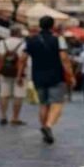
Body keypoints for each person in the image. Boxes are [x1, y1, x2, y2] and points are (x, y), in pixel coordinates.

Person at [21, 15, 70, 144]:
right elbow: (64, 58)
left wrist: (20, 74)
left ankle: (44, 128)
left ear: (40, 25)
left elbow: (23, 58)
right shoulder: (58, 39)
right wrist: (70, 74)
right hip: (56, 75)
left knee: (43, 104)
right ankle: (48, 126)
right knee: (57, 103)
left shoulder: (30, 40)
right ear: (52, 26)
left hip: (37, 76)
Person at [0, 26, 28, 125]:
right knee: (18, 95)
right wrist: (19, 75)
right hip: (19, 73)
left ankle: (3, 116)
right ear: (19, 33)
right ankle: (15, 117)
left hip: (4, 72)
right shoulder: (24, 43)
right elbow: (23, 60)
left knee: (4, 94)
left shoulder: (2, 43)